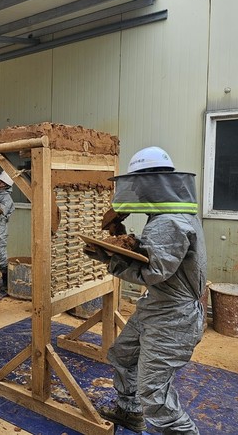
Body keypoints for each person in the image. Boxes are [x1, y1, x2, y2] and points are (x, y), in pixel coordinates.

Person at [85, 146, 207, 434]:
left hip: (174, 318)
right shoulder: (166, 216)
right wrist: (125, 241)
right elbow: (155, 254)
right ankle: (129, 412)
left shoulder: (168, 222)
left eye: (137, 186)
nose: (136, 193)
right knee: (124, 355)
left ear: (151, 183)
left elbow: (152, 272)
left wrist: (110, 256)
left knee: (153, 391)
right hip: (158, 306)